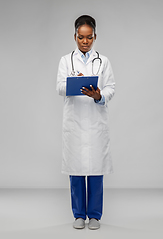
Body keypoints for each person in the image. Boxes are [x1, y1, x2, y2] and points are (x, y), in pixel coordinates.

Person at [56, 15, 115, 230]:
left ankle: (95, 216)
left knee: (96, 170)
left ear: (95, 37)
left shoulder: (103, 61)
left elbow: (111, 87)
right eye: (81, 37)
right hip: (75, 123)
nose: (85, 41)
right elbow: (60, 88)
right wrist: (75, 83)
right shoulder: (66, 61)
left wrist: (99, 96)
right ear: (75, 37)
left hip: (95, 122)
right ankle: (79, 214)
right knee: (77, 171)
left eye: (89, 37)